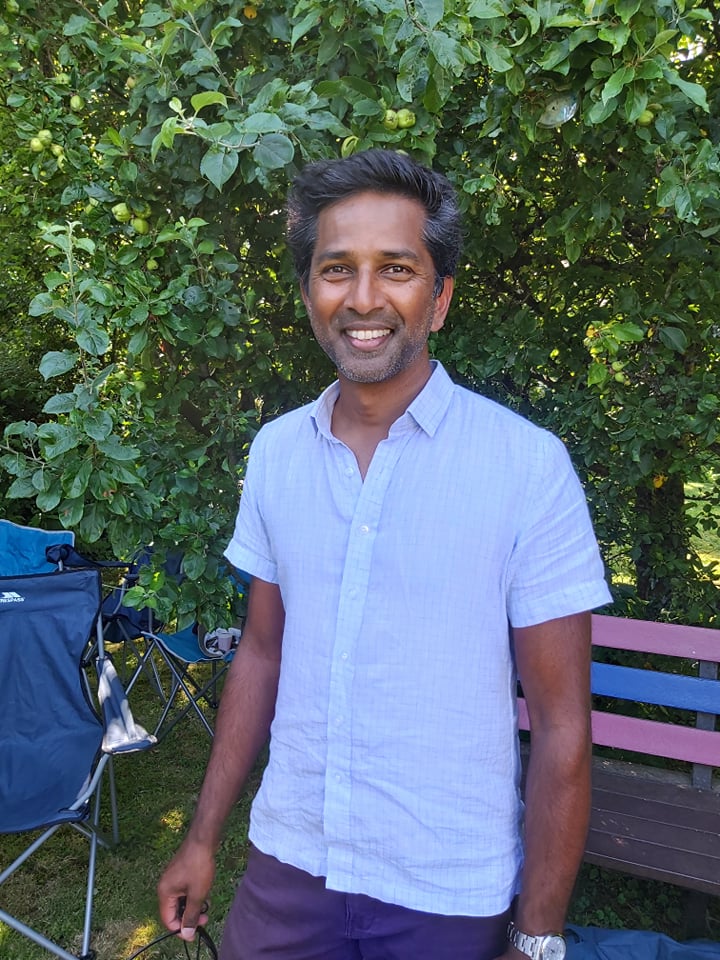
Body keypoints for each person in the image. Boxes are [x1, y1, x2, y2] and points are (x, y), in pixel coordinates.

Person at [157, 148, 612, 960]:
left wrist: (538, 937)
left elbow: (560, 724)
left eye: (396, 268)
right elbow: (261, 652)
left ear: (439, 299)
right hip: (289, 867)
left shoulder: (527, 468)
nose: (364, 298)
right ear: (309, 294)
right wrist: (201, 838)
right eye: (337, 269)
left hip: (447, 888)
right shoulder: (276, 454)